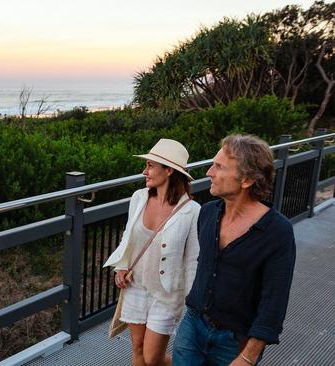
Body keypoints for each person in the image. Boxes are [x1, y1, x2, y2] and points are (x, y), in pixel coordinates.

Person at [172, 134, 296, 365]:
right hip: (193, 325)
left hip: (235, 341)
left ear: (247, 180)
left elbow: (274, 302)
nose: (209, 172)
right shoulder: (207, 213)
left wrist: (248, 357)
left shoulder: (277, 232)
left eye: (218, 166)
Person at [104, 138, 200, 366]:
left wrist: (193, 302)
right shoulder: (139, 197)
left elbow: (193, 259)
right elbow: (129, 236)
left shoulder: (192, 211)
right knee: (137, 349)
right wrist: (121, 266)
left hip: (166, 294)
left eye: (150, 166)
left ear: (168, 170)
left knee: (152, 357)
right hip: (136, 285)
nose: (144, 171)